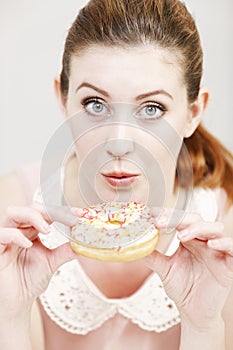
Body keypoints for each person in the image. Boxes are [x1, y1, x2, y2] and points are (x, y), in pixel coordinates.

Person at [1, 0, 233, 349]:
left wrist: (203, 328)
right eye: (95, 105)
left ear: (193, 112)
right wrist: (9, 317)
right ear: (63, 100)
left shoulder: (224, 232)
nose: (119, 143)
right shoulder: (13, 218)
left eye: (152, 108)